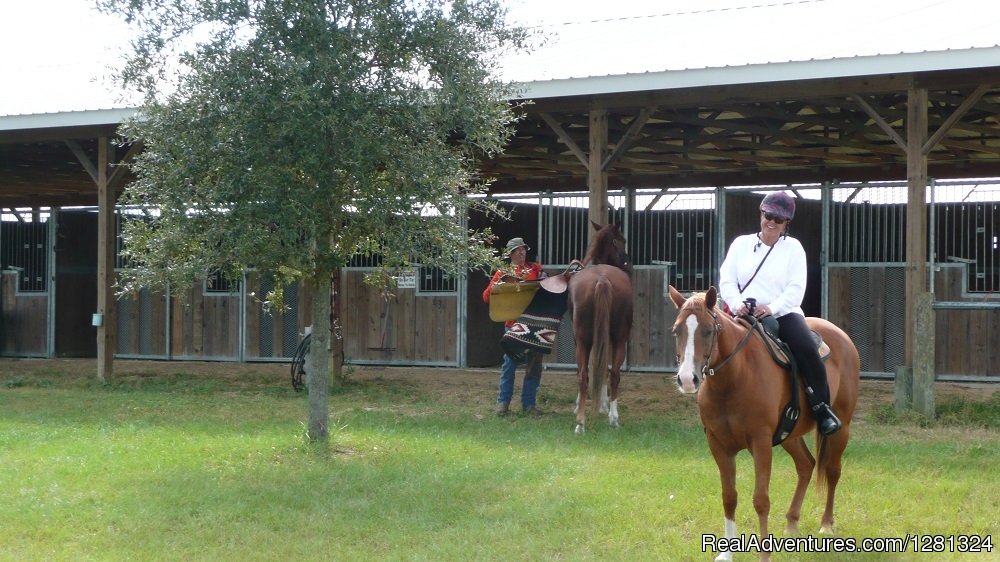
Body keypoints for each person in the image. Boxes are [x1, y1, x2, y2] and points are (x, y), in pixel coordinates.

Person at [718, 191, 842, 435]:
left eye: (779, 218)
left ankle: (821, 408)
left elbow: (796, 289)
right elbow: (727, 280)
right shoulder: (740, 244)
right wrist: (735, 303)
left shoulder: (793, 249)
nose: (772, 222)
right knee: (713, 343)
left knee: (807, 349)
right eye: (768, 215)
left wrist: (771, 308)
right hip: (742, 312)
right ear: (761, 214)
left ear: (787, 223)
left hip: (783, 313)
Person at [482, 237, 546, 416]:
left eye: (523, 249)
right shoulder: (503, 271)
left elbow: (546, 288)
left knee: (534, 365)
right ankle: (502, 404)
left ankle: (529, 405)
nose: (522, 252)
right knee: (509, 365)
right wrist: (499, 282)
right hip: (513, 326)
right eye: (518, 250)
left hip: (534, 324)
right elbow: (486, 297)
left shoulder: (535, 269)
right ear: (510, 253)